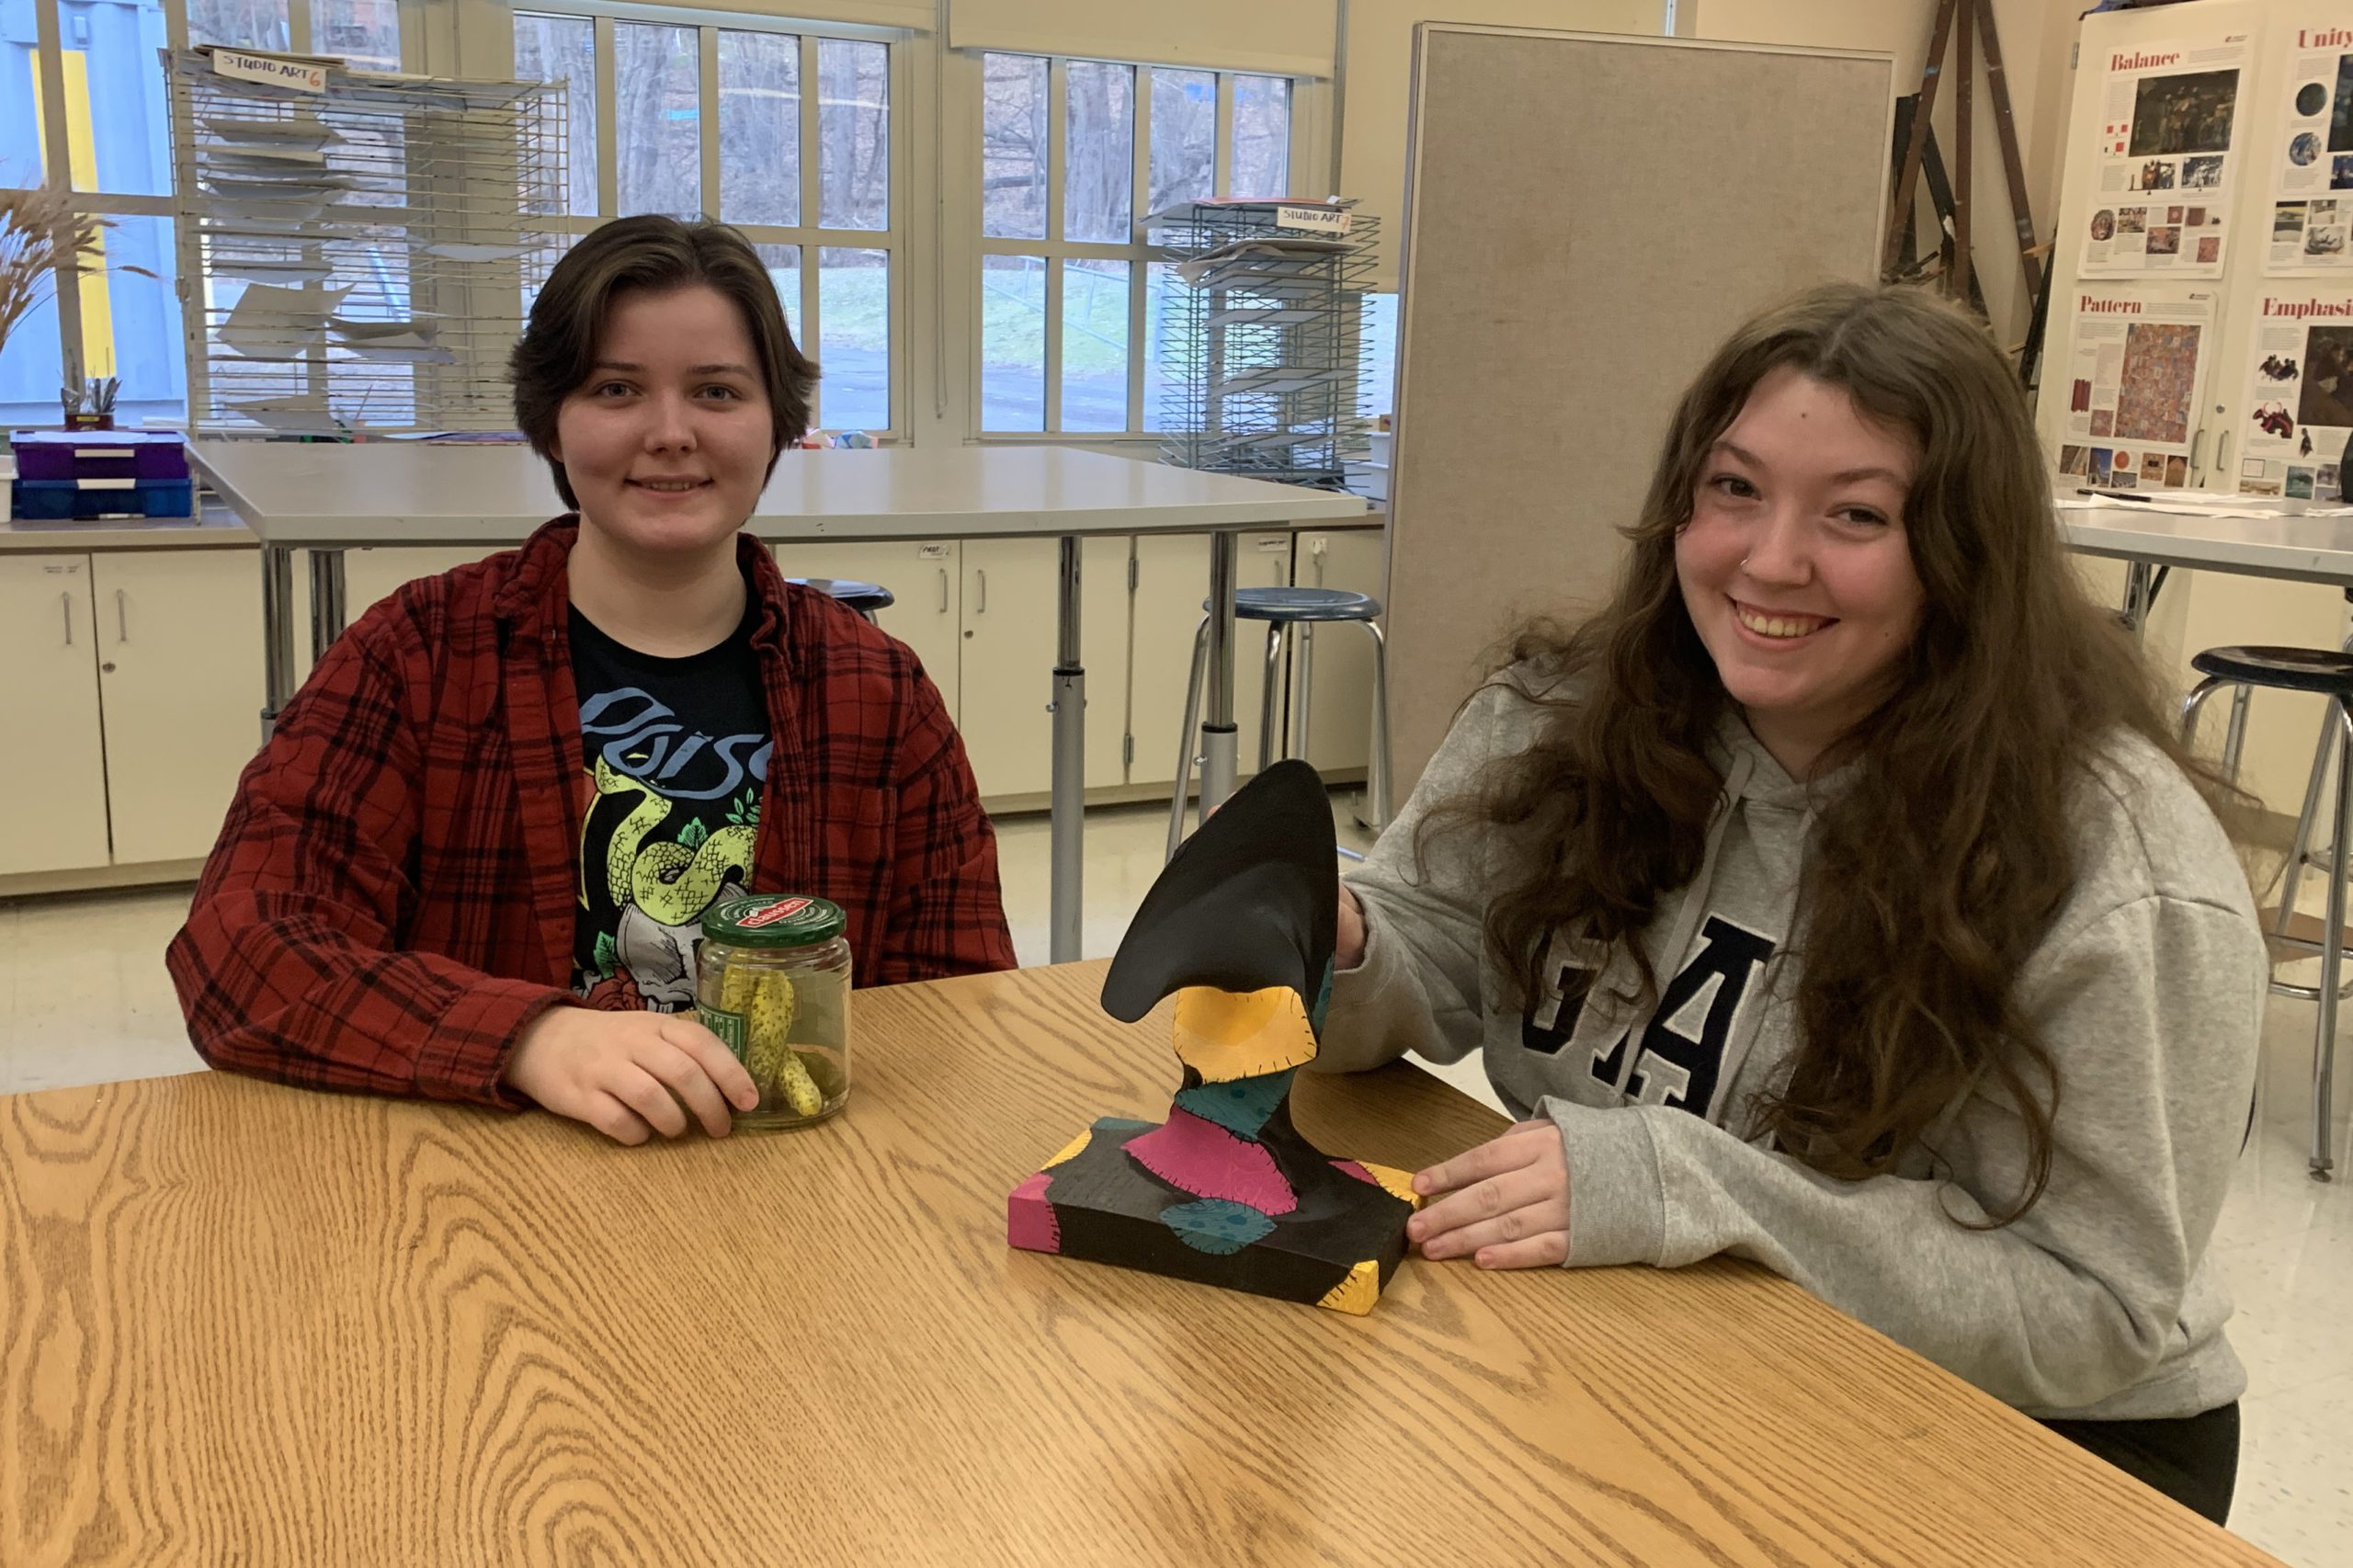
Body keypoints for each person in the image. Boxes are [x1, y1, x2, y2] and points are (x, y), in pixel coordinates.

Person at [1313, 283, 2266, 1524]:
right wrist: (1329, 950)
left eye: (1857, 514)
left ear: (1965, 554)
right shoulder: (1568, 715)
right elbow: (1437, 942)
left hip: (2044, 1447)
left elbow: (2099, 1305)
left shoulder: (2112, 867)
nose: (1770, 560)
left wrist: (1690, 1186)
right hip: (1691, 1348)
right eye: (1734, 490)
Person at [170, 215, 1015, 1145]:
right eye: (616, 388)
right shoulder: (418, 652)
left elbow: (961, 1003)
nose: (669, 432)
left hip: (786, 1177)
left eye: (717, 390)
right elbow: (240, 950)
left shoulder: (876, 689)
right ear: (552, 419)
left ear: (778, 420)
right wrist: (529, 1037)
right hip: (496, 1179)